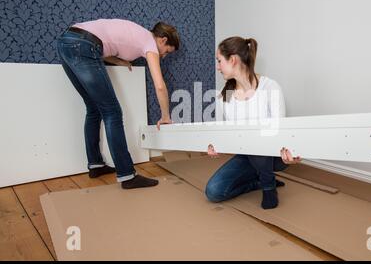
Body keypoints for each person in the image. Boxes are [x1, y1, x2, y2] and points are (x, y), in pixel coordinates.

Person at [56, 19, 179, 189]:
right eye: (167, 51)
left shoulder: (138, 33)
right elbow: (159, 85)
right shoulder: (149, 43)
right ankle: (127, 175)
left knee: (93, 109)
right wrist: (166, 116)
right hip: (84, 45)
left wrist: (119, 61)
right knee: (112, 112)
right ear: (163, 40)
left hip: (66, 42)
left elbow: (107, 45)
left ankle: (95, 165)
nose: (164, 56)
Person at [205, 36, 301, 209]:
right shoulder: (225, 93)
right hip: (245, 153)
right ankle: (256, 182)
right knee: (213, 191)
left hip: (272, 154)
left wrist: (289, 151)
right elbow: (220, 129)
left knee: (258, 134)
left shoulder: (269, 87)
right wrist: (214, 144)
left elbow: (279, 130)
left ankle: (268, 185)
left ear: (232, 60)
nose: (218, 67)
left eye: (219, 61)